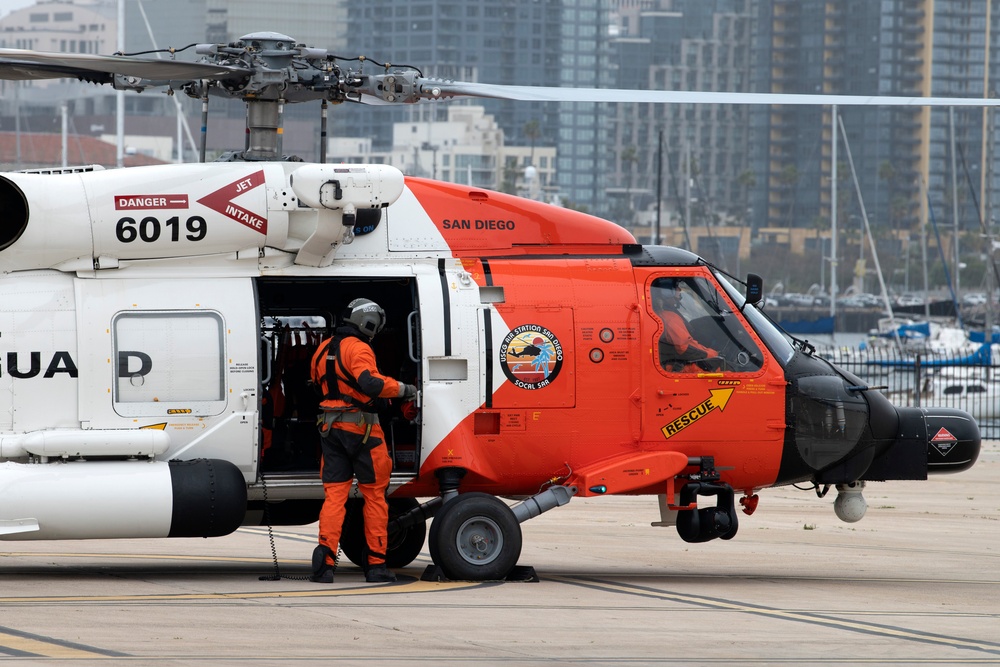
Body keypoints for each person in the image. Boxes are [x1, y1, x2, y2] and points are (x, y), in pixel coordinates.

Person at [308, 298, 417, 583]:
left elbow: (317, 385)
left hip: (329, 431)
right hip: (363, 432)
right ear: (367, 322)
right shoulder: (359, 348)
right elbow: (371, 383)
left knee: (334, 496)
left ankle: (325, 566)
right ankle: (377, 566)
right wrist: (404, 389)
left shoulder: (321, 349)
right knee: (374, 496)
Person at [654, 280, 720, 372]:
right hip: (677, 368)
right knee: (722, 370)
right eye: (676, 286)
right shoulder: (670, 317)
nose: (679, 289)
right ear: (667, 292)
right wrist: (711, 354)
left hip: (673, 364)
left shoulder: (663, 314)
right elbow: (684, 348)